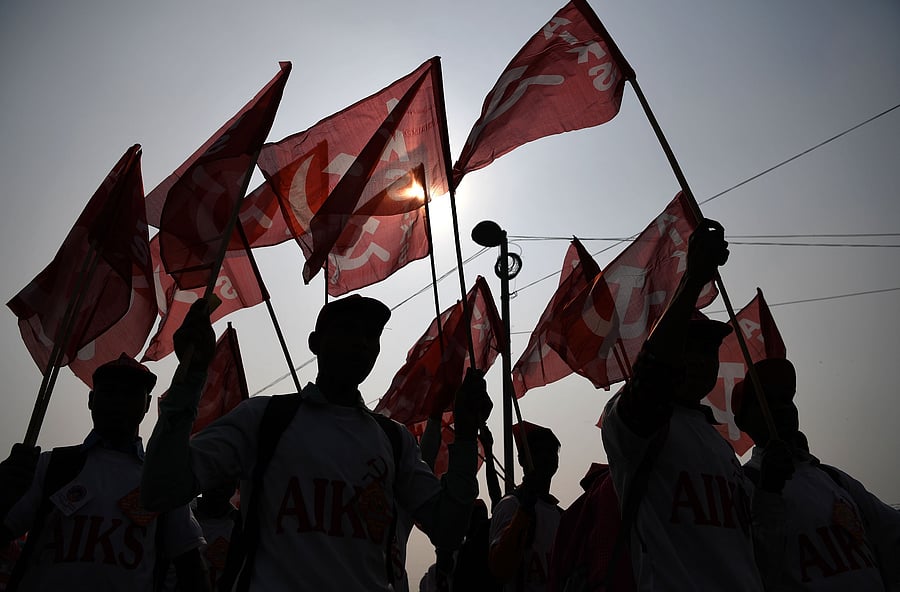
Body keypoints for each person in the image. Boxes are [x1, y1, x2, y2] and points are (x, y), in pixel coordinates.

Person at [140, 295, 492, 591]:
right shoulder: (263, 419)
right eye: (348, 331)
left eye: (371, 335)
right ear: (314, 343)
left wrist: (464, 435)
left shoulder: (393, 439)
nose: (361, 343)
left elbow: (449, 531)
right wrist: (191, 375)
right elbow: (162, 489)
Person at [599, 219, 789, 591]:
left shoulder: (721, 448)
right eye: (690, 347)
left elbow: (760, 548)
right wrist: (692, 279)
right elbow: (652, 377)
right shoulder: (634, 422)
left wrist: (770, 489)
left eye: (709, 350)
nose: (702, 360)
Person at [0, 354, 208, 592]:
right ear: (91, 399)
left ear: (147, 404)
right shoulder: (51, 465)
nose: (119, 401)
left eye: (131, 393)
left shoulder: (161, 480)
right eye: (110, 391)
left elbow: (190, 565)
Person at [734, 358, 900, 590]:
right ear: (742, 421)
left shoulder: (834, 478)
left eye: (787, 399)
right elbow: (754, 570)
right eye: (766, 402)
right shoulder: (739, 485)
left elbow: (891, 534)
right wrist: (768, 492)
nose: (781, 408)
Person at [489, 421, 562, 592]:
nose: (546, 457)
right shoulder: (510, 507)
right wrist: (524, 512)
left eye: (551, 451)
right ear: (522, 459)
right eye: (538, 451)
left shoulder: (561, 516)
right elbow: (500, 569)